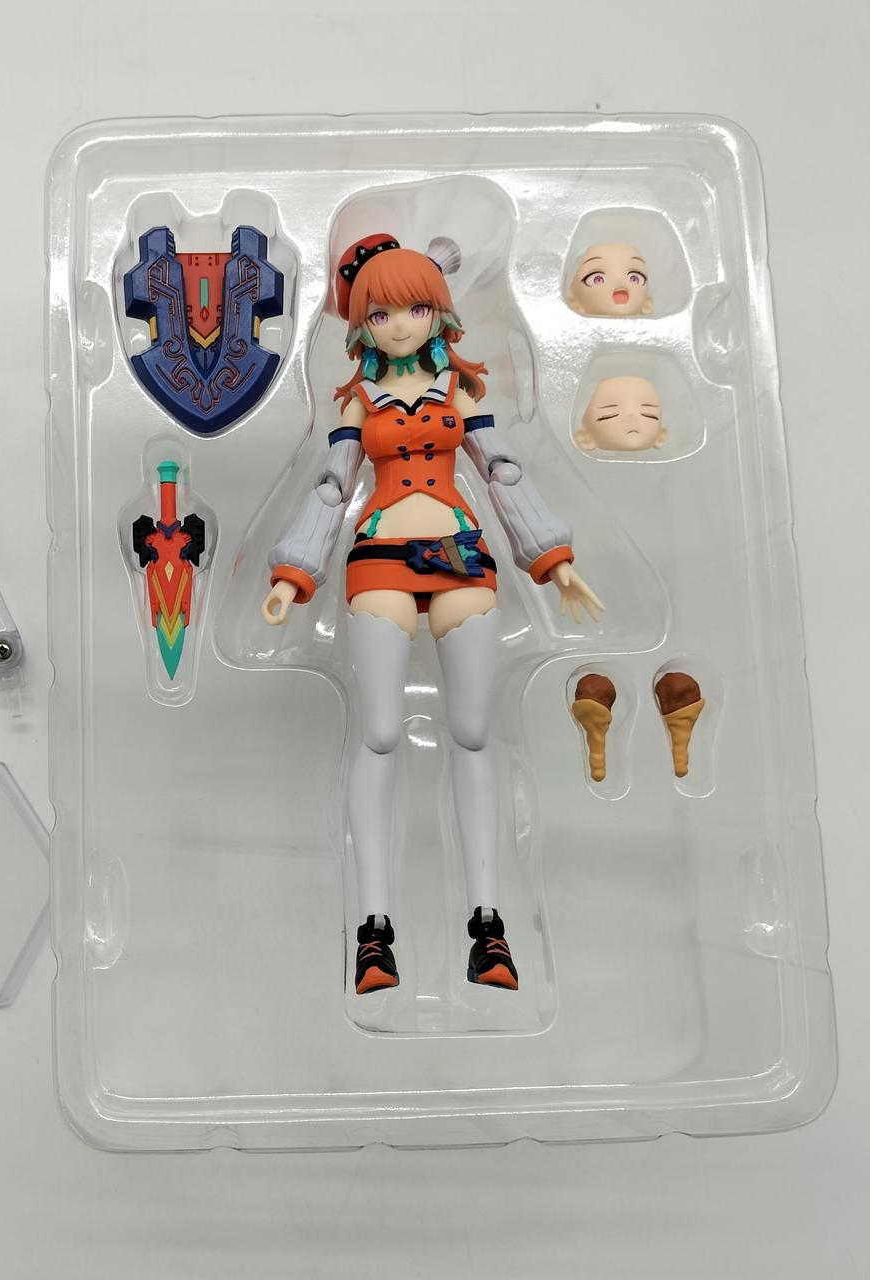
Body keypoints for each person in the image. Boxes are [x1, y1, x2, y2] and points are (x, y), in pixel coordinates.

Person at [262, 233, 603, 995]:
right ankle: (373, 933)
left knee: (474, 732)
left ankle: (488, 926)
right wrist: (294, 570)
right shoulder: (359, 400)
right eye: (381, 312)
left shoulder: (459, 391)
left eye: (416, 308)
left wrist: (551, 556)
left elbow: (502, 468)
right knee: (381, 733)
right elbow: (330, 485)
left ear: (439, 312)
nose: (400, 324)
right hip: (380, 555)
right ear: (361, 321)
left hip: (460, 554)